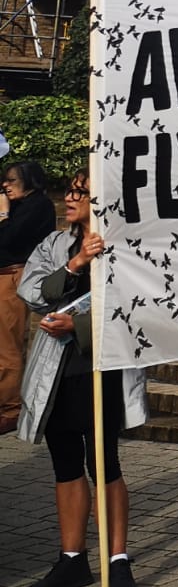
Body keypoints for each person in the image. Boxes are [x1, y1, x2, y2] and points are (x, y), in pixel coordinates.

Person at [18, 166, 147, 587]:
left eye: (81, 193)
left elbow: (135, 309)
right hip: (56, 371)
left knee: (105, 464)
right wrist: (74, 264)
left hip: (100, 368)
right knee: (66, 464)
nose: (69, 198)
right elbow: (32, 291)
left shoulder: (124, 248)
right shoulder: (55, 244)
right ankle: (72, 560)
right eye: (71, 190)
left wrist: (80, 325)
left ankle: (118, 561)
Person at [2, 161, 57, 436]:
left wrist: (2, 216)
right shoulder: (21, 207)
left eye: (11, 180)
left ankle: (10, 409)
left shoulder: (38, 206)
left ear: (29, 180)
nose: (5, 184)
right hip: (6, 274)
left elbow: (9, 240)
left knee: (7, 346)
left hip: (13, 275)